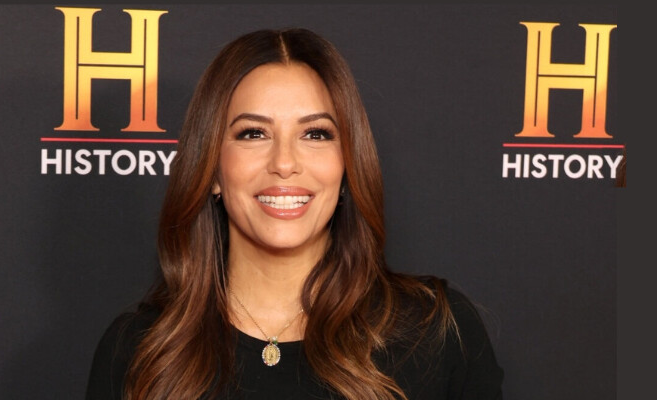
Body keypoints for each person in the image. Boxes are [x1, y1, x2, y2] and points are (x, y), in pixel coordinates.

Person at [85, 27, 504, 400]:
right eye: (253, 133)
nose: (284, 162)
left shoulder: (436, 333)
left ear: (346, 167)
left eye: (315, 134)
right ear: (212, 170)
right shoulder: (139, 351)